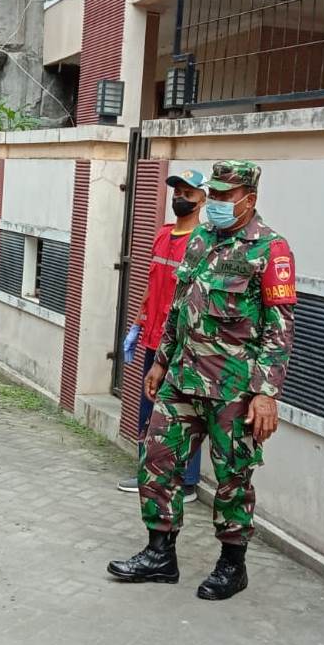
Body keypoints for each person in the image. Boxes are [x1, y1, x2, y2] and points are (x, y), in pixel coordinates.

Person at [107, 160, 296, 601]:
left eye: (225, 196)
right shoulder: (201, 240)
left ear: (249, 199)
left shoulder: (271, 249)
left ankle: (232, 566)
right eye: (213, 195)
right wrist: (160, 362)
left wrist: (266, 394)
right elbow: (178, 306)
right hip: (181, 377)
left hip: (234, 388)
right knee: (156, 458)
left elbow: (279, 329)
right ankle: (160, 555)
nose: (215, 203)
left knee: (233, 477)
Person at [118, 169, 208, 503]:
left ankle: (185, 482)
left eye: (188, 193)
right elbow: (151, 285)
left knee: (185, 412)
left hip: (184, 345)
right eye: (177, 192)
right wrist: (138, 324)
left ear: (202, 199)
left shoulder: (203, 242)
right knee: (149, 410)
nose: (180, 198)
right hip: (154, 340)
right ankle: (147, 472)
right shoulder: (162, 234)